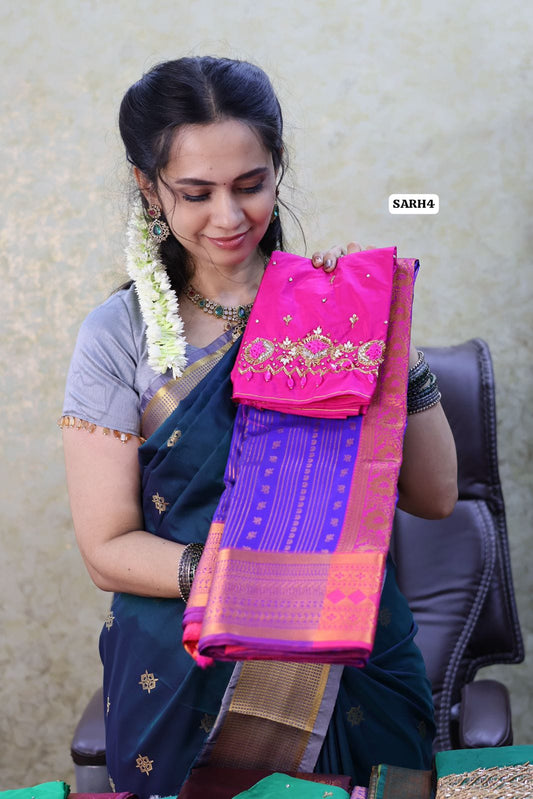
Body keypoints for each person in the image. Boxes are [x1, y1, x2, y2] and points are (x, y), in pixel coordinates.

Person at [61, 56, 457, 797]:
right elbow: (107, 549)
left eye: (250, 185)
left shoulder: (339, 310)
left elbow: (435, 497)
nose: (229, 216)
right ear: (148, 187)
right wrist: (240, 585)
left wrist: (392, 343)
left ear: (277, 167)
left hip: (353, 663)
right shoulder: (119, 336)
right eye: (195, 192)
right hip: (187, 667)